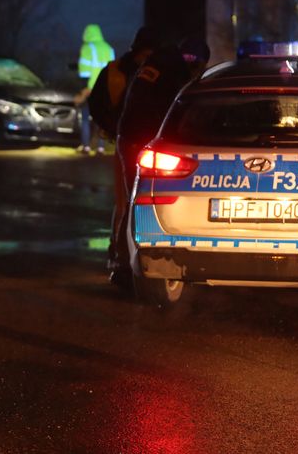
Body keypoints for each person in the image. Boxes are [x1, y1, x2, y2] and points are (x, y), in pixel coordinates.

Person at [112, 37, 210, 289]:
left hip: (129, 136)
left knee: (134, 202)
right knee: (140, 203)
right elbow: (172, 111)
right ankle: (125, 266)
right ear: (195, 61)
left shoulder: (158, 64)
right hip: (144, 140)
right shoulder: (175, 75)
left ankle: (121, 263)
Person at [87, 27, 161, 286]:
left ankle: (121, 255)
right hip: (130, 141)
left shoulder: (116, 69)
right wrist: (113, 129)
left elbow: (95, 105)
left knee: (126, 201)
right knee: (127, 201)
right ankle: (120, 257)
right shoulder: (145, 72)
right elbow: (97, 104)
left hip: (125, 140)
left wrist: (110, 129)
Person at [77, 23, 114, 154]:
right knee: (100, 118)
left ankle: (86, 146)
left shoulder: (87, 48)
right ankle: (101, 147)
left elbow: (84, 72)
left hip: (90, 89)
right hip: (105, 89)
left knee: (85, 118)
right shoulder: (109, 49)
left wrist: (83, 88)